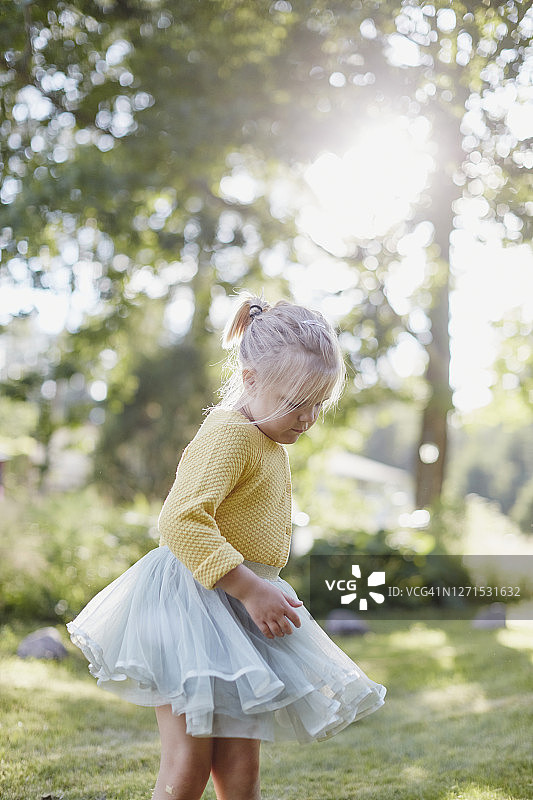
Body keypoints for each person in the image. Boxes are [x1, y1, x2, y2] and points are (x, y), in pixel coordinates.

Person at [67, 293, 386, 800]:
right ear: (251, 377)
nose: (306, 417)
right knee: (190, 758)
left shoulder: (268, 437)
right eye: (294, 402)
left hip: (233, 608)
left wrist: (256, 589)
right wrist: (251, 588)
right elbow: (180, 521)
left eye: (317, 404)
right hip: (191, 602)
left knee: (239, 764)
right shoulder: (231, 435)